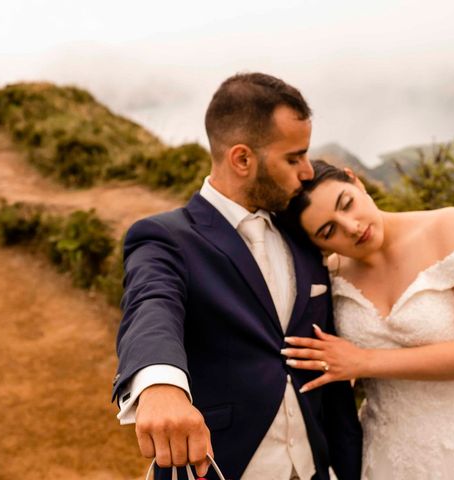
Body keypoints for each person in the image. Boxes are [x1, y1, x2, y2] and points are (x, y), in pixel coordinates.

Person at [112, 74, 362, 480]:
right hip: (223, 466)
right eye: (294, 157)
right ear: (243, 159)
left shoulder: (303, 233)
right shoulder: (167, 237)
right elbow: (150, 306)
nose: (306, 172)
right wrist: (160, 385)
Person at [279, 160, 454, 479]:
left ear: (355, 181)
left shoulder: (450, 228)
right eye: (329, 231)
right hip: (392, 453)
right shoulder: (331, 274)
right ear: (316, 244)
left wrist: (363, 361)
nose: (352, 227)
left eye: (347, 204)